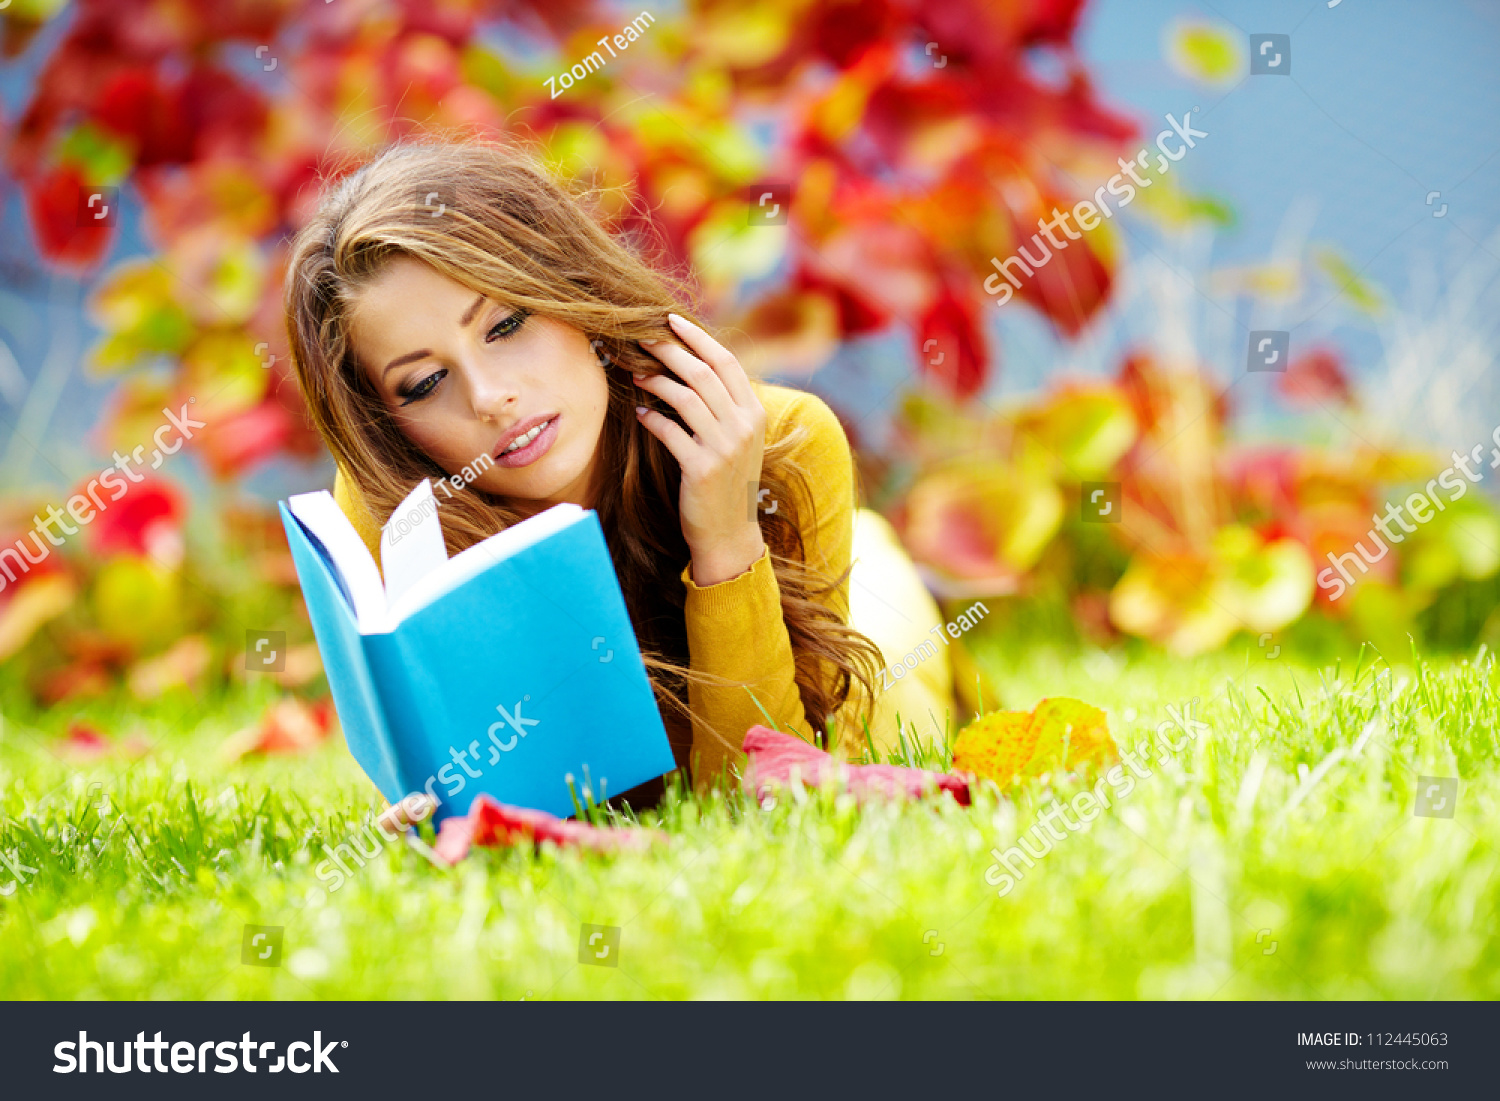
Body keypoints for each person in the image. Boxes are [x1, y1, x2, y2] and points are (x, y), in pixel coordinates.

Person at [283, 140, 961, 816]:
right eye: (424, 382)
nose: (489, 396)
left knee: (893, 632)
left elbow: (763, 802)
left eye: (507, 323)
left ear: (572, 288)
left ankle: (879, 553)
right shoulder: (396, 512)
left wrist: (727, 541)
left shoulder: (784, 446)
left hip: (875, 665)